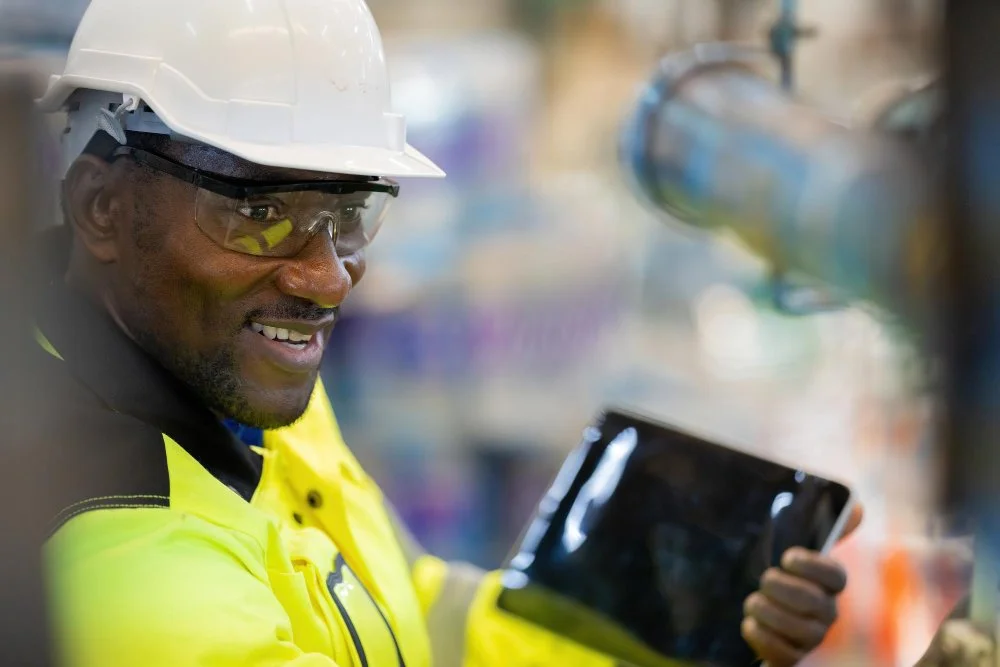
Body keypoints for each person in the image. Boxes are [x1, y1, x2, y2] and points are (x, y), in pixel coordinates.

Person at [35, 1, 856, 666]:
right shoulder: (131, 571)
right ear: (102, 206)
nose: (326, 278)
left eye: (350, 215)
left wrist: (691, 615)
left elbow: (409, 614)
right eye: (257, 215)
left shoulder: (217, 375)